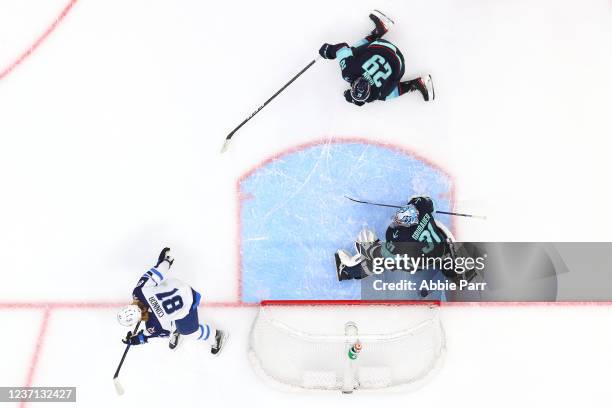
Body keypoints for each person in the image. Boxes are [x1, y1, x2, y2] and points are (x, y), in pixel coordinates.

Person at [116, 248, 227, 354]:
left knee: (189, 333)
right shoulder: (139, 291)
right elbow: (156, 273)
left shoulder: (153, 324)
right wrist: (165, 261)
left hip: (188, 303)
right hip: (181, 288)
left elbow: (164, 333)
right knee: (166, 317)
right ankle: (177, 327)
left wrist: (138, 339)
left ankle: (216, 335)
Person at [319, 10, 435, 106]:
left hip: (400, 62)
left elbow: (390, 83)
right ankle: (379, 31)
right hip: (383, 46)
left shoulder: (374, 95)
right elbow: (343, 48)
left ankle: (416, 83)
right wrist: (330, 51)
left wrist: (358, 99)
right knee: (350, 52)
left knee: (385, 94)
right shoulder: (349, 72)